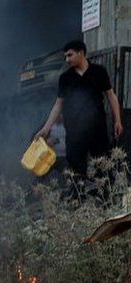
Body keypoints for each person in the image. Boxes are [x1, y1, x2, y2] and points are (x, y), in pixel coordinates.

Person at [37, 39, 122, 180]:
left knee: (103, 169)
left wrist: (117, 121)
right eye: (65, 56)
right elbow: (58, 105)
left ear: (81, 53)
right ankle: (78, 200)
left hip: (97, 129)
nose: (67, 59)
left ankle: (104, 199)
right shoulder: (65, 78)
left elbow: (111, 96)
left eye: (69, 55)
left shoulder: (99, 72)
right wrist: (46, 128)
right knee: (76, 172)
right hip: (75, 131)